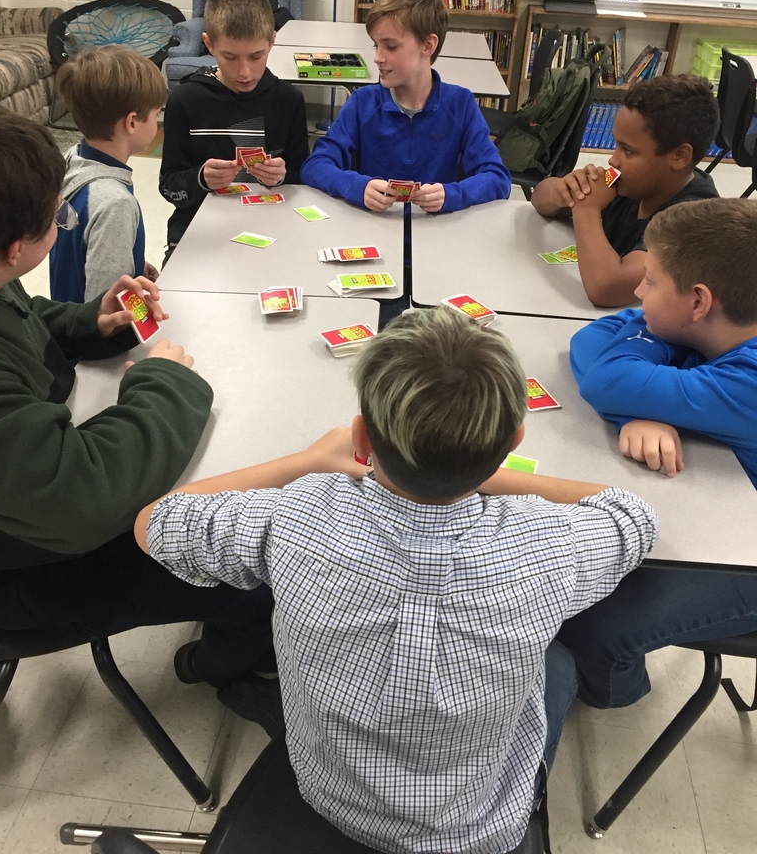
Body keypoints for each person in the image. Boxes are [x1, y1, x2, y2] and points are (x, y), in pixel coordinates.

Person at [135, 306, 657, 854]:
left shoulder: (296, 516)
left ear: (362, 436)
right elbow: (630, 513)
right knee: (559, 662)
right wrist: (481, 467)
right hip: (479, 826)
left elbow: (155, 522)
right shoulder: (546, 544)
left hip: (328, 791)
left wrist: (309, 460)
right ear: (515, 439)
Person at [0, 107, 275, 709]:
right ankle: (226, 668)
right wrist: (161, 381)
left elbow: (22, 321)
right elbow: (80, 495)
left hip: (32, 513)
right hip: (25, 577)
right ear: (16, 249)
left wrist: (95, 321)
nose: (64, 226)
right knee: (249, 561)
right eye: (57, 221)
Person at [559, 197, 757, 708]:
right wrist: (638, 407)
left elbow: (604, 374)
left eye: (649, 279)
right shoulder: (720, 328)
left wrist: (630, 388)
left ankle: (609, 694)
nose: (638, 290)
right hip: (728, 512)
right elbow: (590, 337)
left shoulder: (748, 381)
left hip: (745, 556)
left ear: (698, 303)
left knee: (598, 626)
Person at [300, 0, 511, 213]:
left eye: (390, 46)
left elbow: (498, 178)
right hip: (372, 228)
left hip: (437, 231)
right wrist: (358, 187)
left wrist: (452, 194)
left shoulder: (460, 104)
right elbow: (314, 165)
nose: (377, 58)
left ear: (428, 45)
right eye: (376, 45)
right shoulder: (363, 102)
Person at [530, 74, 720, 307]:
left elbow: (606, 288)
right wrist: (565, 190)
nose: (613, 160)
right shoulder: (629, 180)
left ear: (679, 156)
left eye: (628, 151)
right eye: (616, 145)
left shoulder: (692, 220)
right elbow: (539, 197)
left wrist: (586, 208)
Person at [159, 0, 308, 258]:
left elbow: (304, 176)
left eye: (256, 56)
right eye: (230, 57)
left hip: (271, 229)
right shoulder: (185, 101)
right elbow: (169, 186)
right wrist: (201, 178)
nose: (245, 72)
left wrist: (284, 175)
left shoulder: (289, 101)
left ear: (272, 41)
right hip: (199, 233)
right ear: (209, 44)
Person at [48, 45, 166, 303]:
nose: (157, 122)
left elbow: (81, 240)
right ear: (132, 122)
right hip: (93, 338)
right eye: (157, 113)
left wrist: (132, 261)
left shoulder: (70, 158)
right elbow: (108, 308)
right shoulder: (116, 203)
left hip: (65, 317)